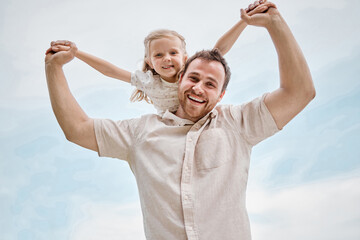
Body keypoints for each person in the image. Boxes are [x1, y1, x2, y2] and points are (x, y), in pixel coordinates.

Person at [44, 2, 315, 240]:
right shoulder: (141, 133)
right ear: (182, 77)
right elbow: (77, 129)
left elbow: (299, 92)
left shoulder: (237, 123)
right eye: (194, 79)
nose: (198, 88)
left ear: (221, 95)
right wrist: (55, 67)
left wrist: (273, 23)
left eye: (210, 84)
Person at [48, 0, 275, 115]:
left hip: (199, 116)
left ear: (184, 57)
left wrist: (244, 22)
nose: (167, 58)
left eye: (173, 53)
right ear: (149, 62)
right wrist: (77, 54)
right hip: (171, 126)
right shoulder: (147, 81)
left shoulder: (190, 73)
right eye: (159, 54)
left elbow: (219, 50)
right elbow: (111, 70)